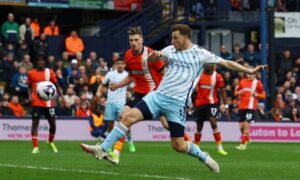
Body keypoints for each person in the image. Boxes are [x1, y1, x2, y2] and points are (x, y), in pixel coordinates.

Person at [80, 24, 266, 173]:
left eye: (175, 38)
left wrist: (249, 70)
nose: (172, 41)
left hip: (177, 104)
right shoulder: (170, 49)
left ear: (185, 37)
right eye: (172, 38)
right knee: (128, 117)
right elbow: (152, 60)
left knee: (178, 145)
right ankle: (103, 148)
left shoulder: (201, 54)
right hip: (157, 96)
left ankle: (203, 156)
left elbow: (226, 63)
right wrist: (155, 56)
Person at [106, 26, 168, 161]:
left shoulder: (151, 55)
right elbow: (131, 76)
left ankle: (188, 141)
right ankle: (116, 153)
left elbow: (165, 75)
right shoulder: (128, 55)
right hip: (138, 93)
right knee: (123, 115)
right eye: (131, 40)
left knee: (168, 125)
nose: (133, 43)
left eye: (136, 40)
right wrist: (117, 85)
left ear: (142, 40)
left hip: (154, 95)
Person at [27, 54, 65, 154]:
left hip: (49, 103)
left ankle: (50, 141)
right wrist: (30, 96)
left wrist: (63, 97)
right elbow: (29, 86)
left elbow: (56, 85)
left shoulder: (50, 72)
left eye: (42, 60)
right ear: (36, 62)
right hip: (36, 103)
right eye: (38, 60)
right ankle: (35, 147)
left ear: (45, 62)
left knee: (53, 125)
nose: (40, 62)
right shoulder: (31, 73)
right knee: (35, 123)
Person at [96, 58, 128, 163]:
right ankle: (109, 148)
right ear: (115, 65)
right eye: (118, 63)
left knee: (122, 126)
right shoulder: (110, 74)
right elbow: (103, 85)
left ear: (125, 65)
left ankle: (117, 151)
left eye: (122, 63)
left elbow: (132, 88)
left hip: (121, 104)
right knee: (110, 127)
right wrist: (99, 92)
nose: (119, 65)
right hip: (110, 103)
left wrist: (130, 95)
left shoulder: (128, 75)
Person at [193, 64, 228, 155]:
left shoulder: (218, 76)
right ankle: (196, 147)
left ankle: (220, 148)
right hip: (200, 104)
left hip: (212, 103)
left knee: (213, 122)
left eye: (209, 63)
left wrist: (226, 105)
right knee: (199, 127)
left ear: (213, 65)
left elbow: (222, 91)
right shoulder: (198, 74)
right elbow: (192, 88)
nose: (207, 65)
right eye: (206, 63)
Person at [234, 70, 266, 150]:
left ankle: (243, 145)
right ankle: (247, 138)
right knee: (241, 127)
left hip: (251, 107)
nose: (250, 75)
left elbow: (263, 95)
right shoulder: (242, 82)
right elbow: (236, 92)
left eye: (252, 74)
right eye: (249, 73)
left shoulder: (258, 83)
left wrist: (256, 94)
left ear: (255, 74)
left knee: (246, 125)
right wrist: (238, 93)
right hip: (242, 107)